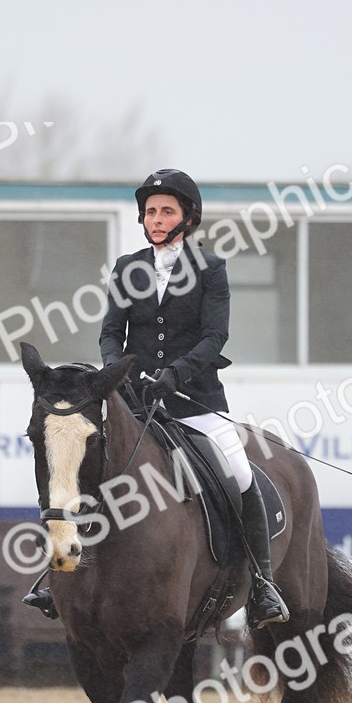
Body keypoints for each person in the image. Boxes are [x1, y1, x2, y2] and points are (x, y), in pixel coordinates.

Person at [26, 168, 288, 630]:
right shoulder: (129, 268)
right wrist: (117, 374)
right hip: (133, 399)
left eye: (167, 211)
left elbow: (214, 336)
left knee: (241, 473)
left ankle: (263, 584)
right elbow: (111, 331)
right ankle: (56, 575)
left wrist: (174, 374)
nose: (157, 218)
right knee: (82, 461)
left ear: (188, 217)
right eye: (151, 211)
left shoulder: (210, 269)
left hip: (194, 398)